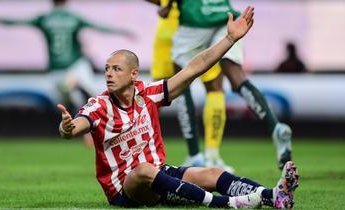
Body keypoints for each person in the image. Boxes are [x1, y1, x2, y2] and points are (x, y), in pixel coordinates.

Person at [57, 7, 299, 208]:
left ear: (133, 74)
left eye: (116, 69)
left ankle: (273, 196)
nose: (109, 74)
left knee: (212, 173)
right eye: (107, 68)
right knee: (143, 170)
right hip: (126, 190)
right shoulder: (99, 105)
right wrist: (67, 128)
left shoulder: (148, 94)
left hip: (159, 175)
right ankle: (227, 203)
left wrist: (230, 39)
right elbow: (76, 127)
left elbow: (194, 68)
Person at [0, 0, 133, 147]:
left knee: (83, 97)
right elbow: (100, 27)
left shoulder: (45, 19)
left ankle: (97, 132)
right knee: (78, 99)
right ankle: (102, 126)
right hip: (71, 66)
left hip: (64, 69)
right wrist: (123, 31)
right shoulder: (72, 18)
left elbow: (12, 22)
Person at [171, 0, 293, 170]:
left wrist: (164, 5)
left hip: (195, 17)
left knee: (180, 79)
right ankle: (274, 126)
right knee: (235, 77)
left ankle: (195, 155)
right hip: (226, 17)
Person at [145, 0, 234, 171]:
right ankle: (211, 156)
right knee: (214, 89)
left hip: (169, 30)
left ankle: (191, 154)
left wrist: (165, 4)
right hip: (197, 25)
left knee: (157, 94)